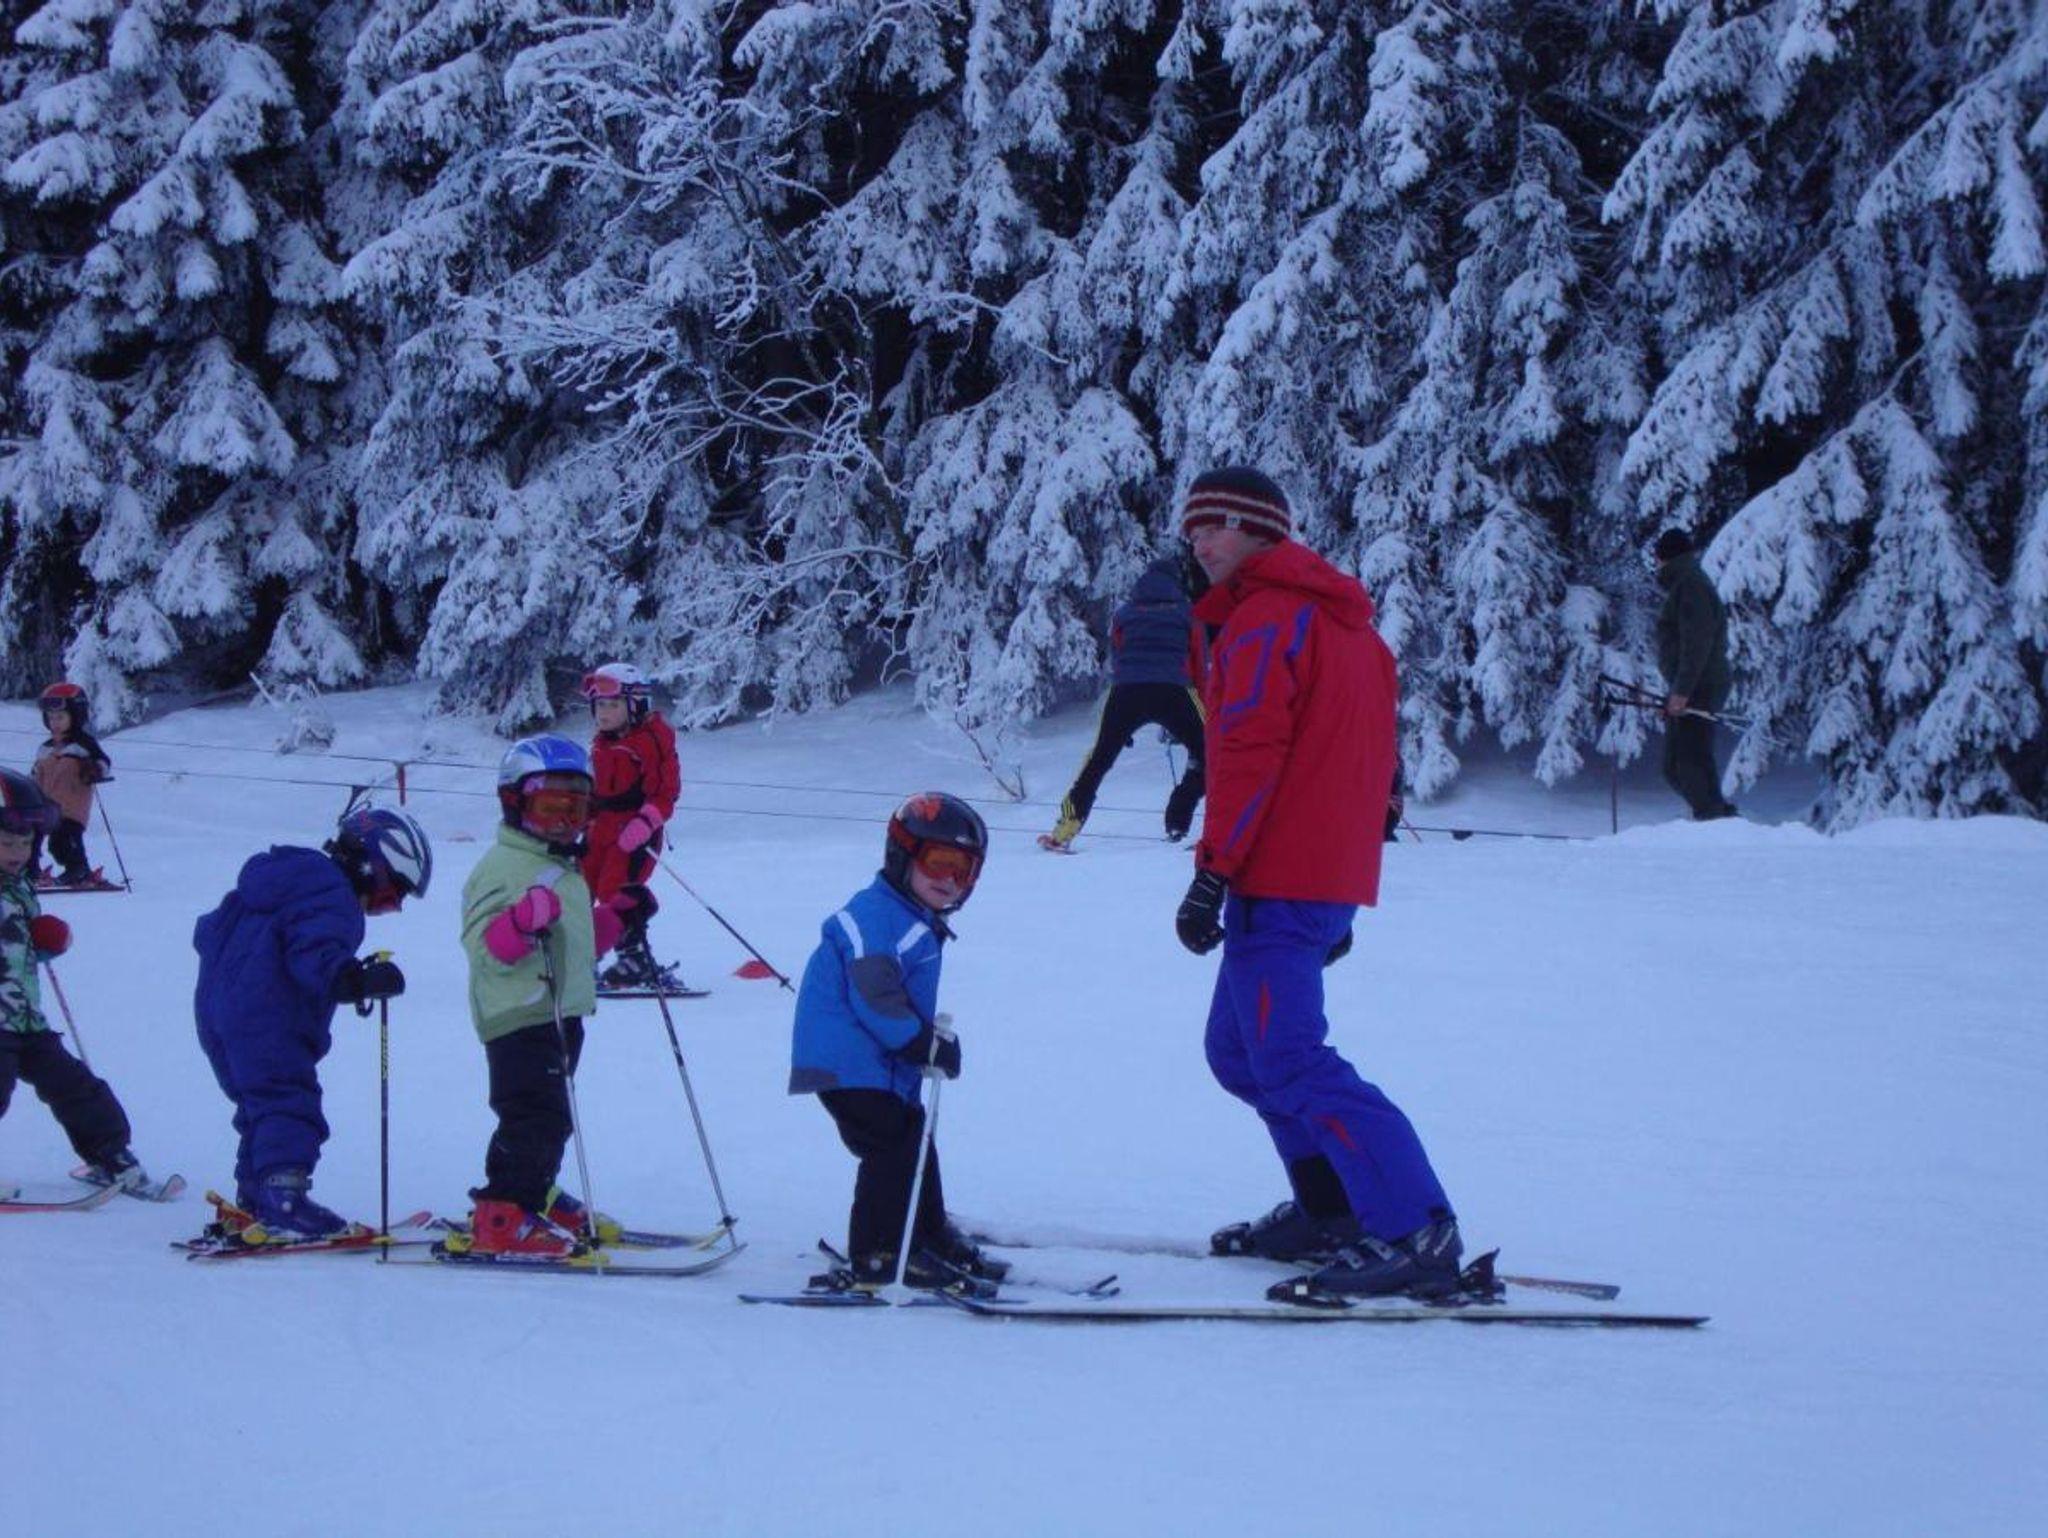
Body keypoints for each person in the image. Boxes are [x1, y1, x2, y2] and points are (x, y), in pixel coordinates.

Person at [1172, 466, 1463, 1299]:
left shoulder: (1267, 621)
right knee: (1240, 1053)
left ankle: (1416, 1231)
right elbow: (1369, 762)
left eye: (1213, 526)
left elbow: (1249, 756)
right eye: (1192, 530)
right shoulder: (1349, 627)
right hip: (1316, 876)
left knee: (1291, 1059)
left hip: (1278, 872)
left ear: (1257, 529)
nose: (1199, 543)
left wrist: (1212, 872)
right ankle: (1332, 1209)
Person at [788, 792, 1002, 1289]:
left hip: (876, 1065)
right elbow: (875, 995)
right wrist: (919, 1042)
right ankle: (878, 1252)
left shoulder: (911, 917)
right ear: (902, 855)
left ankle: (925, 1234)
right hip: (847, 1063)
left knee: (913, 1138)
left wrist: (923, 1043)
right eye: (939, 863)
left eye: (964, 870)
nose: (950, 880)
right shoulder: (874, 917)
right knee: (892, 1145)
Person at [448, 735, 648, 1257]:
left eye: (575, 810)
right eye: (549, 808)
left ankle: (536, 1192)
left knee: (552, 1115)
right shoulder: (503, 868)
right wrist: (518, 923)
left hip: (560, 1011)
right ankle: (503, 1213)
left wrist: (616, 918)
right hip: (518, 1014)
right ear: (515, 803)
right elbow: (485, 949)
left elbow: (573, 946)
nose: (563, 823)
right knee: (536, 1115)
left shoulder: (561, 867)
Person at [192, 806, 427, 1241]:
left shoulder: (280, 883)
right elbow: (314, 949)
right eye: (389, 896)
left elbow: (210, 933)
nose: (382, 909)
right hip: (269, 1018)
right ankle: (283, 1199)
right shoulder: (332, 892)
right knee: (289, 1101)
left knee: (261, 1104)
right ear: (371, 865)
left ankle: (255, 1196)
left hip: (218, 1014)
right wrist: (350, 978)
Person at [0, 770, 156, 1190]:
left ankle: (111, 1154)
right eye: (7, 842)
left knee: (75, 1085)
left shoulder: (20, 887)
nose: (17, 852)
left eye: (24, 842)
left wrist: (44, 940)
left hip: (24, 1017)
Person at [1041, 555, 1207, 849]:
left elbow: (1117, 656)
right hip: (1174, 690)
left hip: (1127, 692)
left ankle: (1064, 830)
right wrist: (1202, 703)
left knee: (1099, 759)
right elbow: (1198, 662)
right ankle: (1184, 821)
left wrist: (1121, 723)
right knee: (1213, 755)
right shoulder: (1188, 614)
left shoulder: (1125, 614)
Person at [579, 662, 685, 991]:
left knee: (616, 892)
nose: (604, 713)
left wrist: (647, 821)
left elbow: (666, 792)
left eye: (613, 705)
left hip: (632, 833)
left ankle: (635, 958)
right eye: (599, 706)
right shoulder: (601, 743)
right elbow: (595, 788)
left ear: (636, 704)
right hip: (600, 828)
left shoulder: (651, 740)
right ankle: (578, 956)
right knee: (577, 886)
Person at [1653, 527, 1738, 821]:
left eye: (1657, 558)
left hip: (1700, 686)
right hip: (1692, 685)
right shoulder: (1687, 583)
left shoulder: (1691, 586)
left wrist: (1681, 692)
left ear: (1665, 557)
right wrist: (1675, 692)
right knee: (1678, 765)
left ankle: (1713, 821)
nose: (1656, 565)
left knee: (1687, 762)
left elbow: (1697, 643)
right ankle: (1716, 817)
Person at [31, 682, 113, 887]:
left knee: (63, 840)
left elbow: (104, 764)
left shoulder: (83, 744)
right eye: (50, 718)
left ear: (75, 716)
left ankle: (79, 869)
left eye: (60, 717)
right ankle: (30, 870)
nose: (55, 723)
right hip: (44, 806)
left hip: (71, 807)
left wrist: (94, 769)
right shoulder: (45, 748)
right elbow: (35, 774)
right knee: (31, 836)